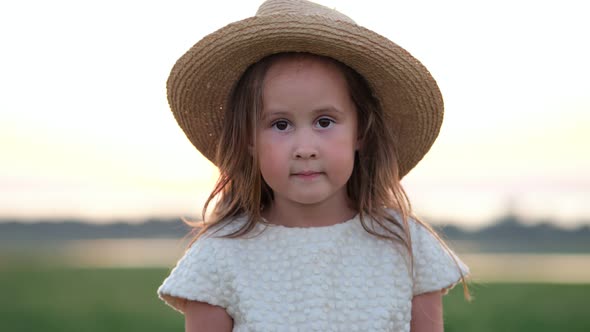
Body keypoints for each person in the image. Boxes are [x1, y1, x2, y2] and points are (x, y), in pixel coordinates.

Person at [157, 0, 471, 331]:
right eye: (280, 124)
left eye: (324, 121)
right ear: (249, 139)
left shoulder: (408, 247)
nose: (305, 149)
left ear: (360, 131)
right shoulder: (218, 256)